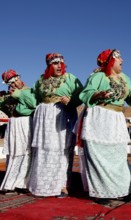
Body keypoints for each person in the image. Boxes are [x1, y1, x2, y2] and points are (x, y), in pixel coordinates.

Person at [79, 49, 131, 206]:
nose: (123, 60)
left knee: (118, 156)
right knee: (100, 155)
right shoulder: (98, 77)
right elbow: (85, 94)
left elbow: (130, 95)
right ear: (110, 61)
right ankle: (103, 193)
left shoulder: (125, 78)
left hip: (117, 118)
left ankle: (123, 190)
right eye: (119, 58)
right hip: (100, 116)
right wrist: (98, 95)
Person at [28, 53, 83, 198]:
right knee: (44, 149)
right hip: (44, 116)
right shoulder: (41, 80)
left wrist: (71, 101)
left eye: (61, 63)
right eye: (55, 63)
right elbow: (34, 98)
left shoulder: (70, 78)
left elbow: (81, 96)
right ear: (48, 65)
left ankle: (62, 186)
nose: (59, 66)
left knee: (61, 149)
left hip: (63, 114)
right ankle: (42, 184)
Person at [0, 69, 36, 194]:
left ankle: (23, 183)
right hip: (13, 124)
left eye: (15, 80)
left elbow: (34, 103)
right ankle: (11, 184)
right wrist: (1, 99)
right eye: (10, 83)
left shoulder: (29, 91)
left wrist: (19, 94)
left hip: (25, 122)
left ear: (19, 78)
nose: (14, 84)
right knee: (14, 153)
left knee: (26, 152)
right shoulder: (10, 93)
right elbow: (6, 110)